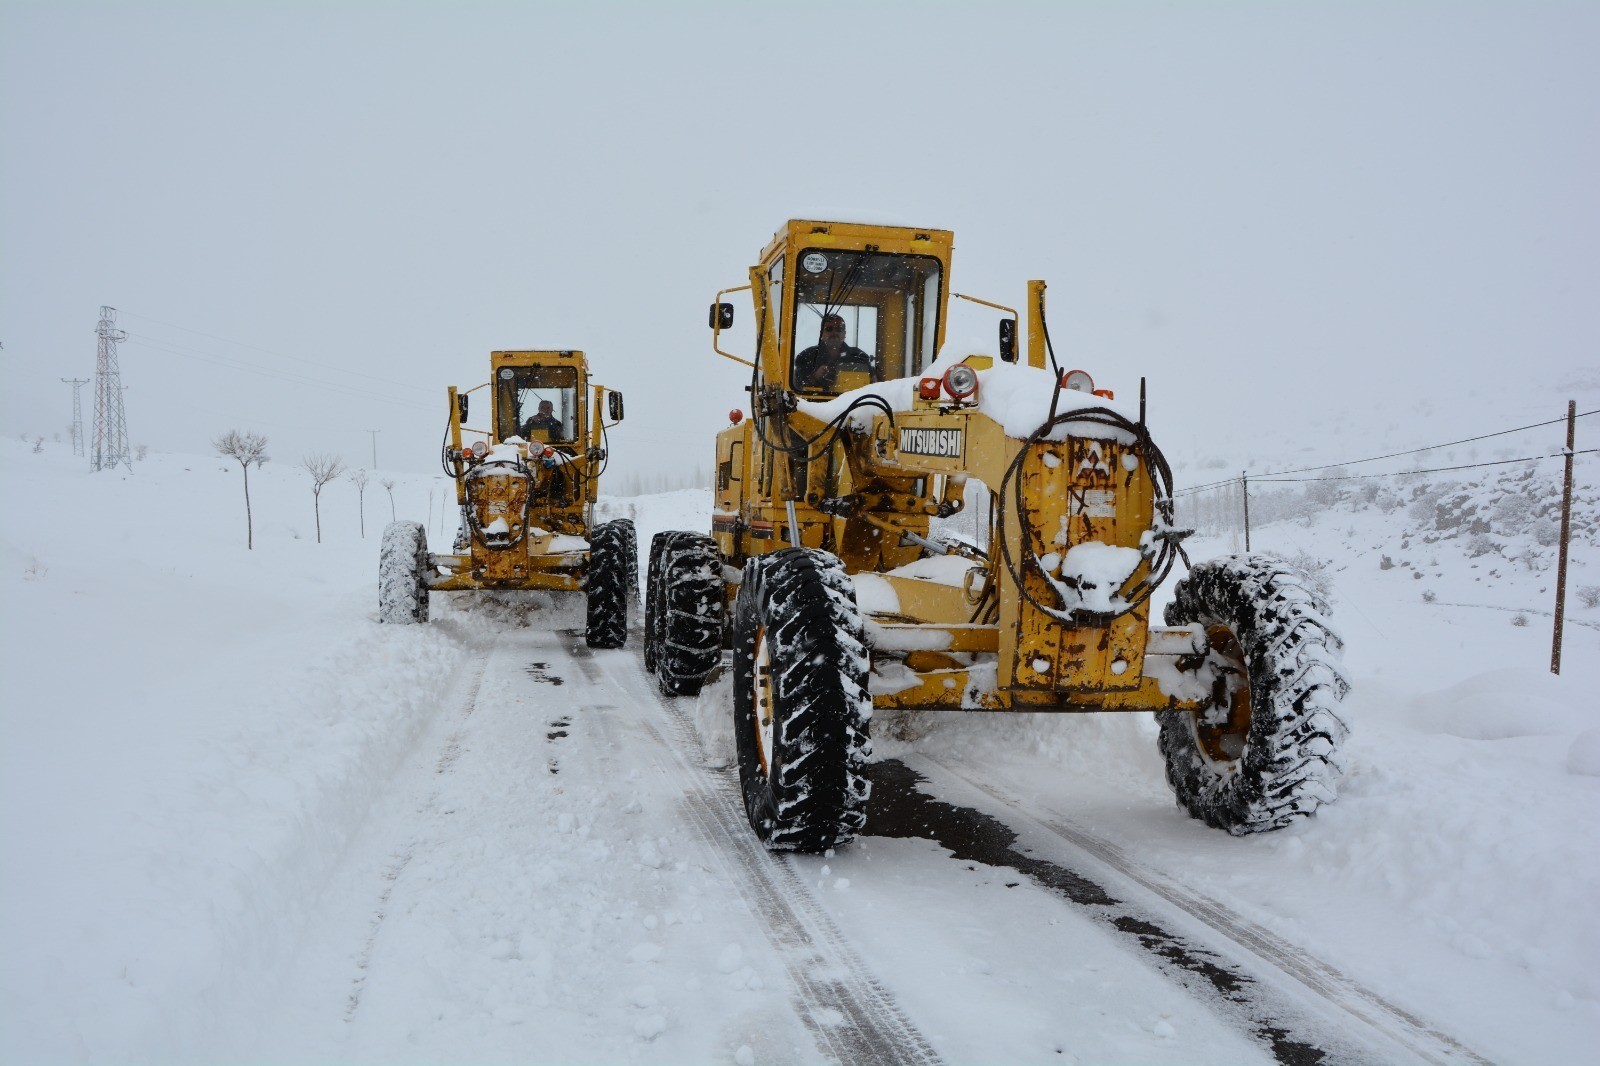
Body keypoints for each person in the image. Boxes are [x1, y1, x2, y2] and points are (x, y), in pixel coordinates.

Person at [792, 313, 869, 392]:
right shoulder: (806, 357)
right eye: (829, 329)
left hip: (851, 403)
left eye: (839, 329)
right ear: (821, 333)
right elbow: (796, 387)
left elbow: (872, 386)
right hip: (815, 403)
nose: (834, 333)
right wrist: (814, 377)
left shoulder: (859, 357)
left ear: (844, 333)